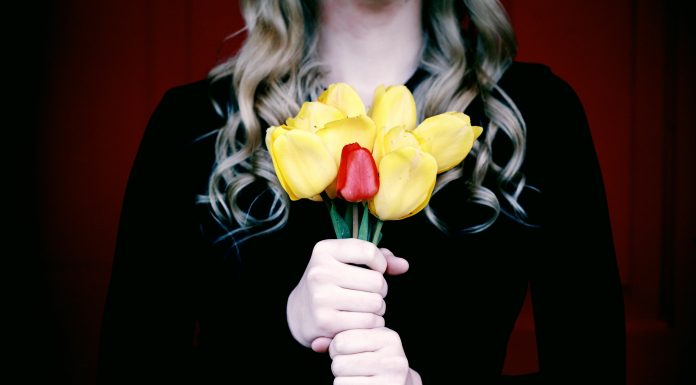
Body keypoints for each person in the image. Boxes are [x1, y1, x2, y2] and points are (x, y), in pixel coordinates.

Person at [97, 0, 626, 384]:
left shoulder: (535, 116)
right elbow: (131, 369)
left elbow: (594, 370)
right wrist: (283, 328)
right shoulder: (193, 124)